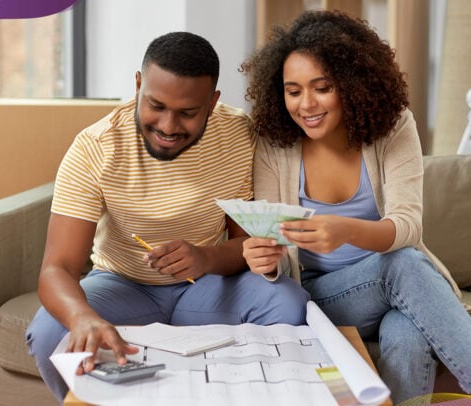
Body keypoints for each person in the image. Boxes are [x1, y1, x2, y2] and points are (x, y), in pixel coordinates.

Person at [240, 10, 471, 405]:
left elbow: (407, 226)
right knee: (399, 264)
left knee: (407, 333)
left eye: (322, 87)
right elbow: (272, 244)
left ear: (351, 84)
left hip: (396, 285)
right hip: (321, 296)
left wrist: (346, 230)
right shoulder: (274, 144)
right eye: (293, 91)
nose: (306, 104)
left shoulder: (393, 127)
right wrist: (261, 258)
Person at [26, 31, 310, 402]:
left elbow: (247, 244)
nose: (168, 126)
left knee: (289, 302)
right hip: (121, 285)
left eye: (187, 113)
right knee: (50, 331)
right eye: (156, 105)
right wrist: (82, 316)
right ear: (139, 84)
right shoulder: (95, 147)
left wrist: (204, 257)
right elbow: (57, 268)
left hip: (208, 286)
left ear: (212, 102)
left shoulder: (239, 135)